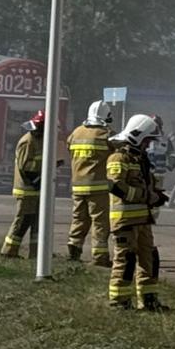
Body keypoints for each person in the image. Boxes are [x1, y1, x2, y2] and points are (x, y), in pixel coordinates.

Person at [106, 114, 169, 311]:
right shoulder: (118, 157)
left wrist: (157, 195)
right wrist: (146, 196)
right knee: (125, 261)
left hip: (143, 219)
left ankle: (149, 299)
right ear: (138, 136)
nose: (149, 145)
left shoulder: (140, 159)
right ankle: (119, 302)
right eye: (147, 140)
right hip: (125, 221)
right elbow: (116, 187)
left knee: (149, 258)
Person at [66, 101, 117, 266]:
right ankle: (100, 257)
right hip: (98, 187)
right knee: (100, 222)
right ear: (106, 117)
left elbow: (69, 148)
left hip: (77, 186)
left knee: (79, 219)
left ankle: (74, 250)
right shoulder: (106, 135)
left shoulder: (76, 133)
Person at [0, 112, 46, 259]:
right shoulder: (27, 141)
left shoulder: (39, 140)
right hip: (27, 189)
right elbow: (25, 167)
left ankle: (36, 254)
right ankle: (9, 251)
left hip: (36, 189)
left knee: (36, 222)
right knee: (22, 220)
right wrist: (37, 181)